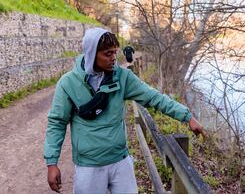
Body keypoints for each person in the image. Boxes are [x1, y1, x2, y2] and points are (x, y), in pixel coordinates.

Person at [44, 27, 203, 194]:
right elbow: (57, 123)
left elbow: (153, 97)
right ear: (91, 54)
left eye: (115, 52)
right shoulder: (68, 83)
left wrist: (187, 116)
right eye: (108, 54)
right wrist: (52, 163)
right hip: (88, 166)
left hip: (120, 162)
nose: (114, 58)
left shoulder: (122, 77)